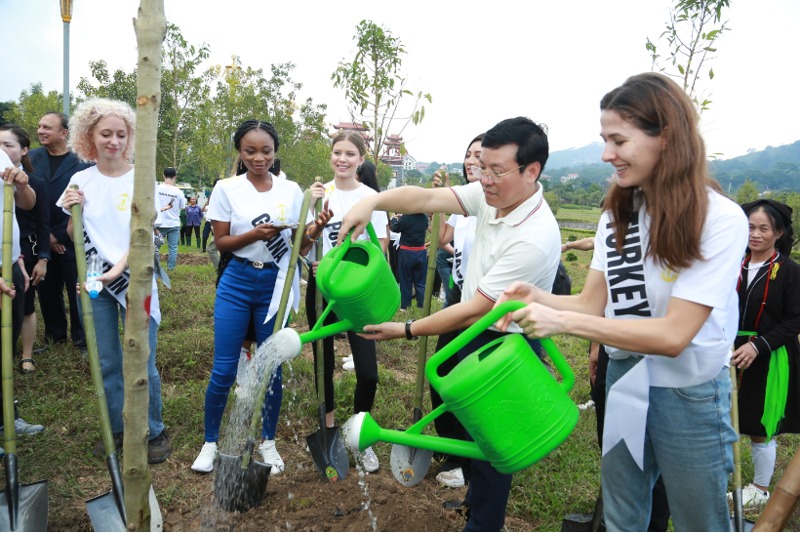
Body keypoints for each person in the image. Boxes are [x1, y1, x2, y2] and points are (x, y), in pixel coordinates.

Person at [495, 73, 748, 531]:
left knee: (699, 521)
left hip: (688, 391)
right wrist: (539, 297)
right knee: (622, 513)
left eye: (618, 140)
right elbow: (592, 304)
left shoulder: (720, 219)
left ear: (666, 138)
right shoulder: (618, 213)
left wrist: (560, 323)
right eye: (604, 139)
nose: (606, 154)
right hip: (625, 374)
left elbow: (673, 336)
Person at [338, 117, 560, 530]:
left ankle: (484, 522)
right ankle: (474, 501)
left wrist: (406, 329)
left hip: (505, 349)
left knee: (494, 446)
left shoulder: (533, 237)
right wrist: (372, 202)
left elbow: (477, 309)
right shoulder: (491, 196)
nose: (484, 178)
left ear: (532, 171)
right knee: (469, 425)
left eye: (497, 170)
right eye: (483, 167)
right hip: (477, 334)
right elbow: (424, 197)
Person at [190, 120, 329, 474]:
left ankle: (268, 441)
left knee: (271, 367)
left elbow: (302, 245)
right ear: (239, 151)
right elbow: (220, 243)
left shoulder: (291, 190)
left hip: (275, 283)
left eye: (265, 151)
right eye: (250, 151)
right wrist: (254, 234)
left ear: (275, 151)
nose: (258, 158)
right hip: (236, 279)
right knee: (223, 368)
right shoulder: (226, 188)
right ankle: (210, 443)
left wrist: (317, 227)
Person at [57, 98, 171, 464]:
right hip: (92, 283)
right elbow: (75, 234)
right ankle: (119, 430)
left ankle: (153, 430)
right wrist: (74, 207)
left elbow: (145, 236)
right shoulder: (79, 179)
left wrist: (114, 272)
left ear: (130, 137)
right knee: (106, 360)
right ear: (89, 136)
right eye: (105, 134)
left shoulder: (142, 178)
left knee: (143, 360)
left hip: (136, 281)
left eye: (121, 134)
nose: (114, 141)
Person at [304, 130, 389, 473]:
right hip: (323, 290)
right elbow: (306, 243)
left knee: (368, 372)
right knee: (322, 363)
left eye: (350, 154)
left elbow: (381, 247)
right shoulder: (318, 194)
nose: (342, 159)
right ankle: (329, 431)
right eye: (337, 152)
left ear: (361, 160)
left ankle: (359, 433)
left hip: (358, 293)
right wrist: (312, 239)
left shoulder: (371, 198)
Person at [729, 199, 800, 508]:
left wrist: (759, 345)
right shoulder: (734, 262)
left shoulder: (789, 271)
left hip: (768, 354)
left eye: (763, 228)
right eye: (749, 227)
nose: (754, 234)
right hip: (729, 351)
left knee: (760, 425)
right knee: (727, 415)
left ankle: (759, 488)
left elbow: (795, 319)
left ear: (779, 232)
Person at [427, 133, 483, 489]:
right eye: (468, 155)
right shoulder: (466, 210)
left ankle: (471, 459)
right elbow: (438, 238)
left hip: (483, 304)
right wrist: (441, 202)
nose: (471, 161)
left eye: (480, 155)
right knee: (442, 369)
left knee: (472, 381)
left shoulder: (495, 207)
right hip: (458, 296)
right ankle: (451, 443)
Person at [28, 112, 91, 350]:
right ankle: (55, 335)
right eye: (39, 126)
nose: (41, 131)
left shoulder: (84, 162)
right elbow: (28, 201)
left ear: (64, 133)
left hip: (72, 237)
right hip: (40, 238)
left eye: (47, 127)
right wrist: (47, 237)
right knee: (47, 289)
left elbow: (87, 203)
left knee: (77, 287)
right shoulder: (31, 158)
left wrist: (59, 234)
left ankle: (81, 337)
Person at [0, 141, 46, 455]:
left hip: (10, 264)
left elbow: (26, 205)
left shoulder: (2, 157)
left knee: (4, 348)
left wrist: (23, 184)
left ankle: (6, 418)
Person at [1, 124, 51, 374]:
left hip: (24, 253)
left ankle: (26, 355)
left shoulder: (34, 182)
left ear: (23, 151)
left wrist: (43, 258)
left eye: (8, 145)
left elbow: (43, 222)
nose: (2, 150)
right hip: (9, 255)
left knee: (26, 306)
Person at [390, 212, 429, 311]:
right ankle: (422, 305)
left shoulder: (406, 217)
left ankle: (405, 306)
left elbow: (395, 228)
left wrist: (394, 219)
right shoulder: (424, 217)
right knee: (420, 281)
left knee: (405, 280)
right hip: (421, 251)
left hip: (406, 252)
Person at [155, 167, 186, 270]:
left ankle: (155, 267)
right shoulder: (179, 192)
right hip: (174, 224)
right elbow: (182, 207)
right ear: (175, 177)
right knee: (173, 248)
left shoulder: (157, 188)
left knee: (156, 247)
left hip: (160, 223)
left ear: (163, 176)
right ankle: (170, 268)